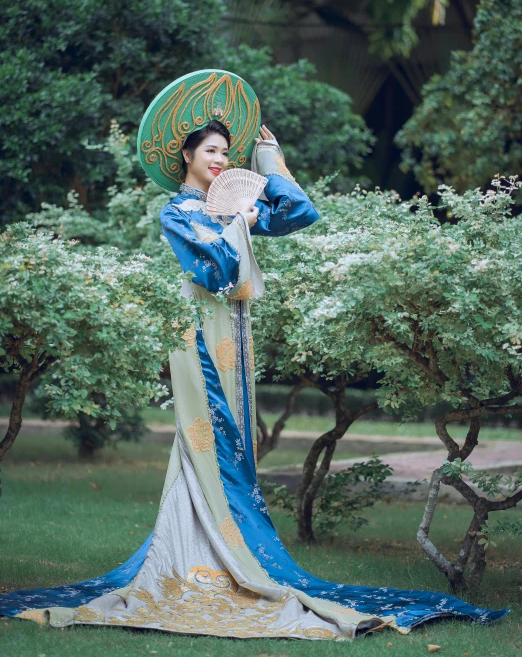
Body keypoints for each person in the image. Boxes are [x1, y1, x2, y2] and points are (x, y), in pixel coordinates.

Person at [0, 70, 508, 639]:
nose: (221, 160)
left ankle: (216, 547)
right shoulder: (178, 213)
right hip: (196, 336)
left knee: (234, 442)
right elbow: (213, 271)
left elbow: (299, 215)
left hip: (234, 336)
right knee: (212, 439)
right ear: (185, 155)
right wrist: (236, 224)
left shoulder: (229, 201)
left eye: (226, 152)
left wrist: (269, 163)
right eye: (211, 151)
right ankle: (213, 553)